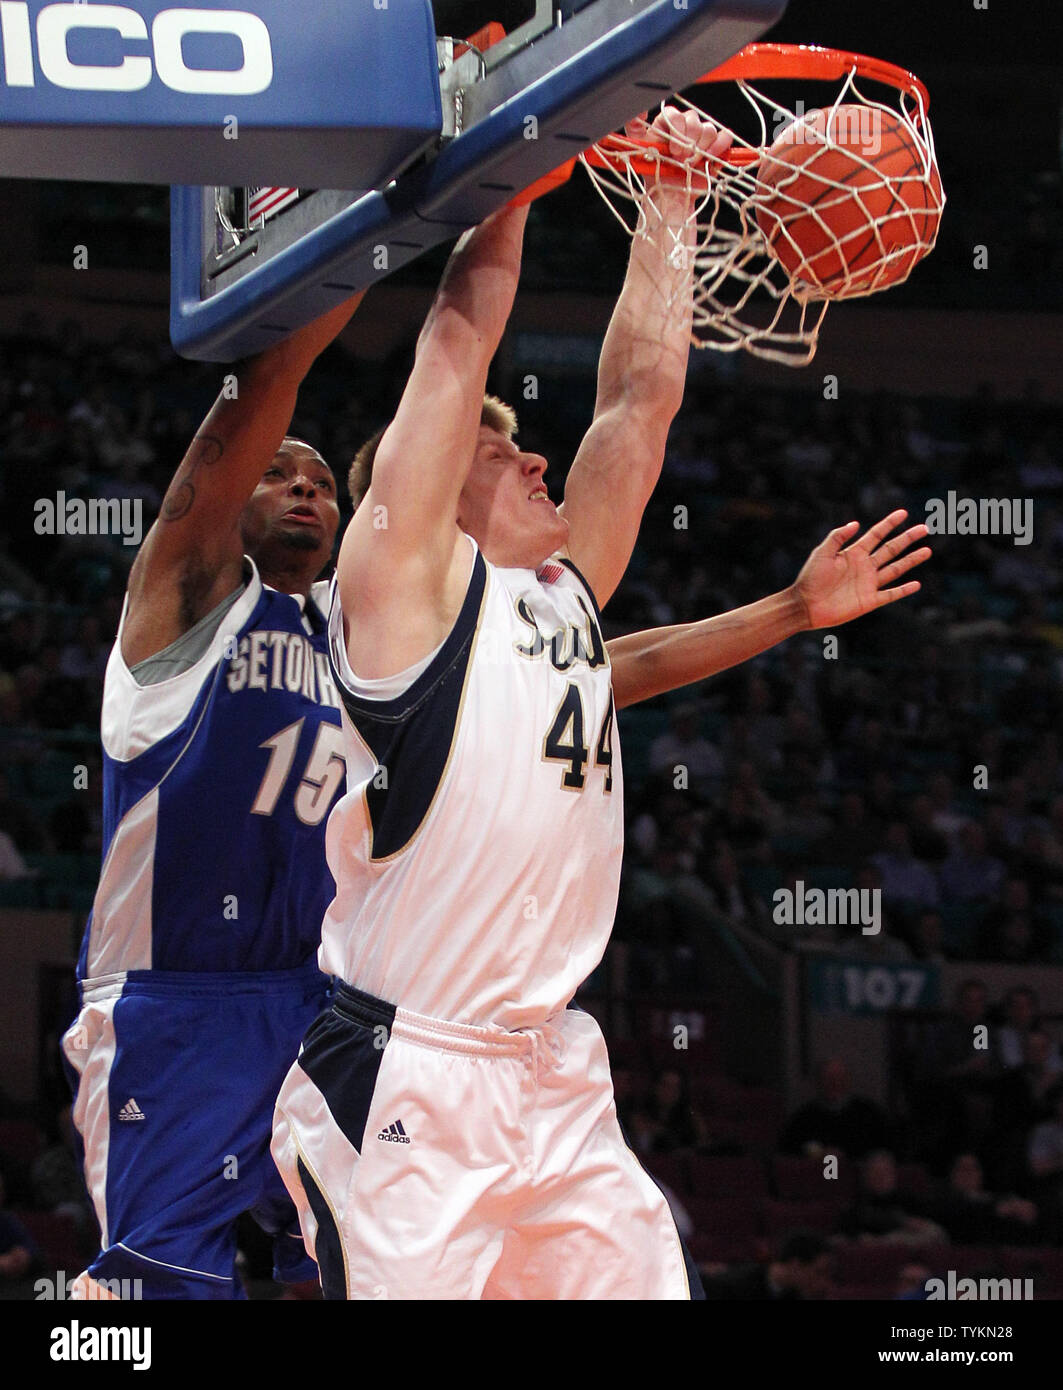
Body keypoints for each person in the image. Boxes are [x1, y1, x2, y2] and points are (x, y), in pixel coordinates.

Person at [272, 103, 932, 1300]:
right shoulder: (402, 589)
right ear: (426, 494)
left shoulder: (558, 602)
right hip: (410, 1067)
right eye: (500, 452)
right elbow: (454, 349)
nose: (535, 460)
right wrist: (519, 158)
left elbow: (635, 407)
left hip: (555, 1068)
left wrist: (670, 203)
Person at [60, 292, 365, 1299]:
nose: (305, 489)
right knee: (148, 1296)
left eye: (323, 481)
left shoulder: (362, 646)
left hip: (322, 1001)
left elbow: (564, 675)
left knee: (357, 1273)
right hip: (175, 1004)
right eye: (278, 472)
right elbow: (258, 392)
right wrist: (362, 225)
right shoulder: (186, 590)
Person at [702, 1231, 833, 1301]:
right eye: (818, 1272)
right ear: (796, 1265)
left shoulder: (793, 1294)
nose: (824, 1283)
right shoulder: (731, 1286)